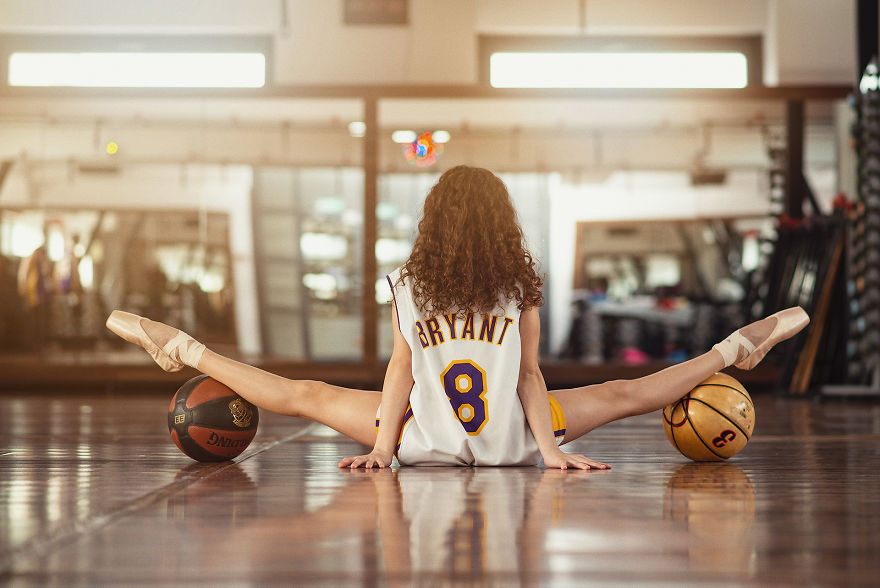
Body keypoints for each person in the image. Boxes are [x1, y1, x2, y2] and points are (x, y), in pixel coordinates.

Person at [106, 166, 809, 470]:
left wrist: (384, 448)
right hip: (512, 433)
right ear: (503, 221)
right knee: (628, 394)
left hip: (418, 437)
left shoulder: (410, 281)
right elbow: (529, 375)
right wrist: (552, 451)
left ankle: (184, 348)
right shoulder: (519, 283)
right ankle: (730, 351)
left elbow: (401, 368)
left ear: (433, 222)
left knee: (304, 396)